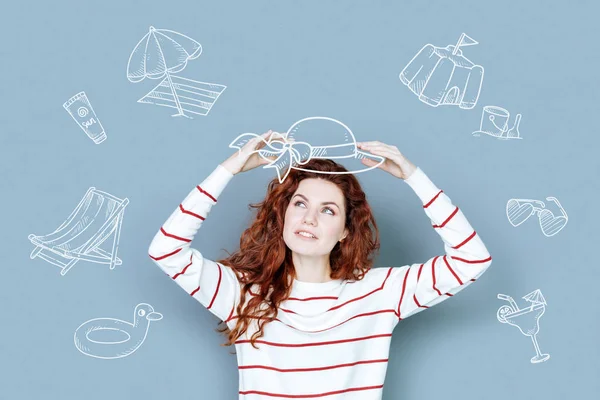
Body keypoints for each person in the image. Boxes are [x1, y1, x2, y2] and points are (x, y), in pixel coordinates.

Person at [148, 130, 492, 399]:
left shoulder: (381, 292)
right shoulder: (243, 293)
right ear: (284, 216)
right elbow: (165, 249)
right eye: (300, 204)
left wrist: (414, 177)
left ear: (345, 231)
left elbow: (472, 260)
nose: (309, 218)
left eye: (328, 209)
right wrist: (229, 168)